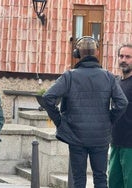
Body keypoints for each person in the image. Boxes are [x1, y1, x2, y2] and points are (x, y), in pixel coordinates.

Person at [41, 36, 128, 188]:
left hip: (76, 136)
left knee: (78, 179)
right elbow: (122, 103)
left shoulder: (69, 76)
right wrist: (109, 120)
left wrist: (60, 122)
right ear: (97, 53)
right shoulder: (108, 76)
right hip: (100, 137)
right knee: (101, 178)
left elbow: (48, 97)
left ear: (77, 54)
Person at [109, 44, 132, 188]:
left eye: (128, 57)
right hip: (115, 142)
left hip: (130, 146)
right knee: (113, 183)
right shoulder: (116, 82)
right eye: (121, 56)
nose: (124, 60)